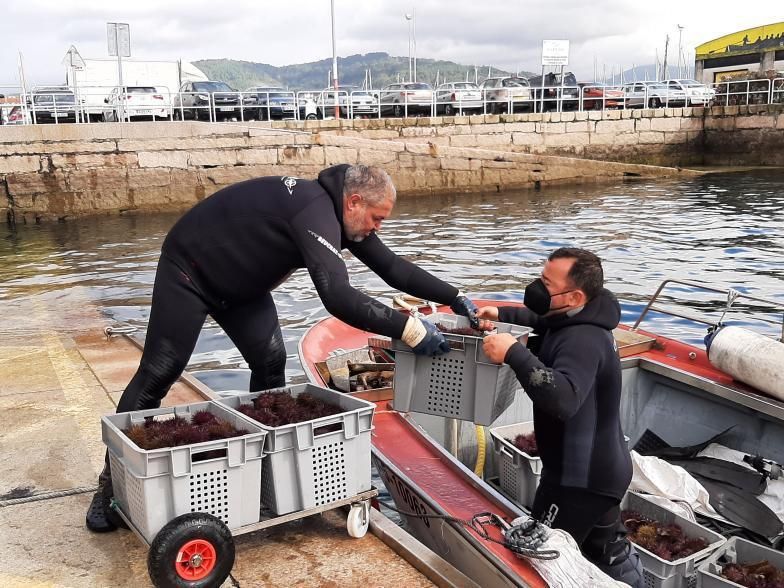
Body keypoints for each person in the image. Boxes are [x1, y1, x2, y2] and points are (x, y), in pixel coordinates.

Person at [86, 163, 479, 532]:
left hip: (242, 288)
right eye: (376, 218)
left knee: (271, 363)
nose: (377, 229)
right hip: (189, 272)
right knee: (160, 371)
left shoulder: (343, 217)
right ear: (354, 201)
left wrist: (455, 295)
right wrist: (409, 329)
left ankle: (265, 476)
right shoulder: (313, 209)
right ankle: (111, 486)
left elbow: (393, 268)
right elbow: (337, 295)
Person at [480, 247, 643, 587]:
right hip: (600, 470)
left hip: (579, 482)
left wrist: (514, 352)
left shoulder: (583, 340)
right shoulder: (584, 314)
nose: (537, 287)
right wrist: (501, 312)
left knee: (540, 559)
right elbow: (543, 318)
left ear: (574, 295)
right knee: (605, 550)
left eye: (546, 283)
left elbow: (563, 399)